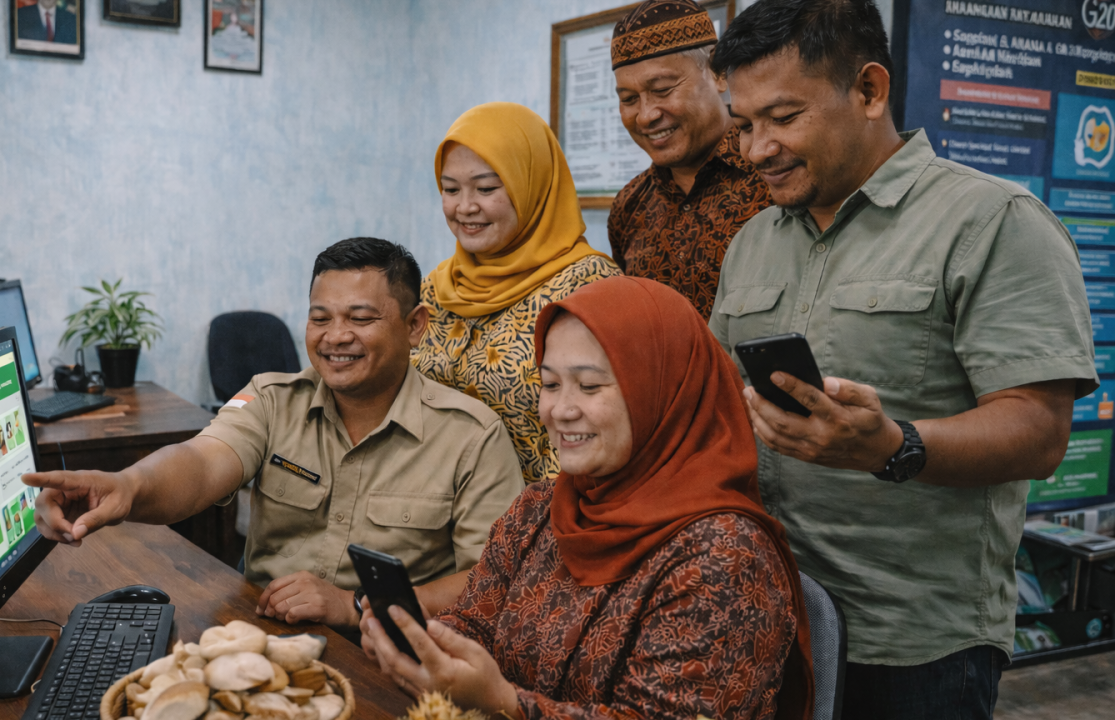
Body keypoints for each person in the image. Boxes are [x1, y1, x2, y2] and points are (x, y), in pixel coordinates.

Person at [707, 1, 1098, 716]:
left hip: (914, 646)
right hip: (766, 614)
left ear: (869, 91)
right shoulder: (754, 240)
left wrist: (894, 446)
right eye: (744, 125)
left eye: (783, 118)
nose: (757, 149)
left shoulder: (991, 224)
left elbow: (1040, 432)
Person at [364, 276, 813, 720]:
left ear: (662, 392)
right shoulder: (540, 509)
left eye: (590, 386)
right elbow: (475, 622)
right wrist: (421, 643)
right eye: (551, 384)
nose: (560, 410)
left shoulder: (726, 556)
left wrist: (504, 703)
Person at [24, 238, 524, 631]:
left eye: (361, 318)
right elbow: (200, 464)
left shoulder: (471, 437)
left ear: (415, 326)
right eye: (319, 317)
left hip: (387, 654)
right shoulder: (270, 399)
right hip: (264, 631)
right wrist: (128, 488)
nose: (335, 336)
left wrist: (355, 606)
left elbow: (489, 585)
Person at [413, 102, 620, 483]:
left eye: (487, 188)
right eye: (450, 189)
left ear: (532, 184)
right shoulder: (436, 287)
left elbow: (611, 425)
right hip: (430, 511)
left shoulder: (591, 286)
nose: (465, 207)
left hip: (542, 518)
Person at [606, 0, 771, 319]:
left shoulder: (773, 174)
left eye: (663, 90)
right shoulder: (629, 208)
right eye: (628, 99)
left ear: (718, 73)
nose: (645, 116)